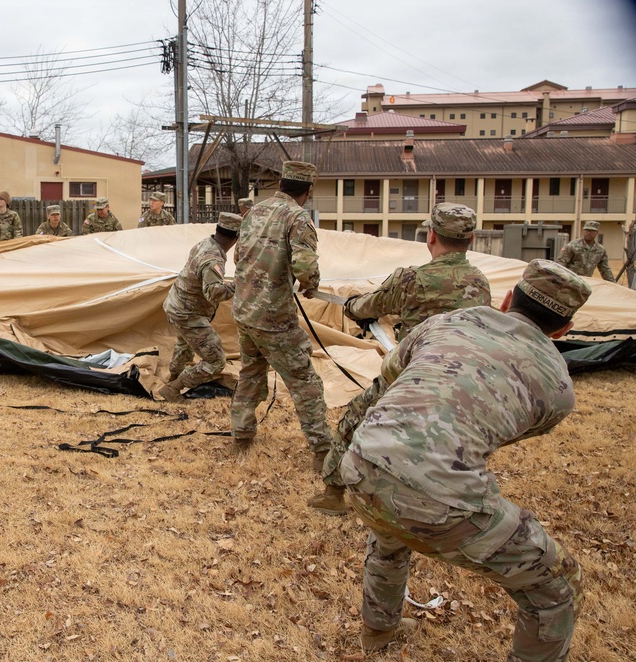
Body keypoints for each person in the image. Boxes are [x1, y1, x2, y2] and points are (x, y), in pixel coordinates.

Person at [339, 259, 590, 658]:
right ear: (564, 330)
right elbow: (500, 431)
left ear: (507, 300)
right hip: (435, 495)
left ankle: (378, 632)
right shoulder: (560, 389)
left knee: (390, 531)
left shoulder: (449, 322)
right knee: (557, 585)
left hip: (362, 463)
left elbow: (388, 378)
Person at [309, 203, 492, 515]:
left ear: (431, 236)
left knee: (352, 422)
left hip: (412, 374)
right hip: (461, 380)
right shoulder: (480, 283)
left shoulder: (410, 279)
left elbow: (367, 307)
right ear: (470, 240)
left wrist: (353, 306)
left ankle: (332, 494)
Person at [230, 160, 334, 466]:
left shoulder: (254, 212)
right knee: (305, 383)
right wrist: (310, 284)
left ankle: (242, 436)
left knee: (250, 374)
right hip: (274, 318)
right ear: (309, 189)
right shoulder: (298, 218)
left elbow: (239, 255)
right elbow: (306, 266)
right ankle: (324, 451)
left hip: (244, 310)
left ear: (282, 184)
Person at [159, 212, 241, 402]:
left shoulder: (205, 243)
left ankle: (174, 376)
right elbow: (213, 292)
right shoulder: (214, 260)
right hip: (188, 313)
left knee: (184, 343)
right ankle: (173, 388)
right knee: (216, 361)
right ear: (237, 237)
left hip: (176, 304)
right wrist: (239, 284)